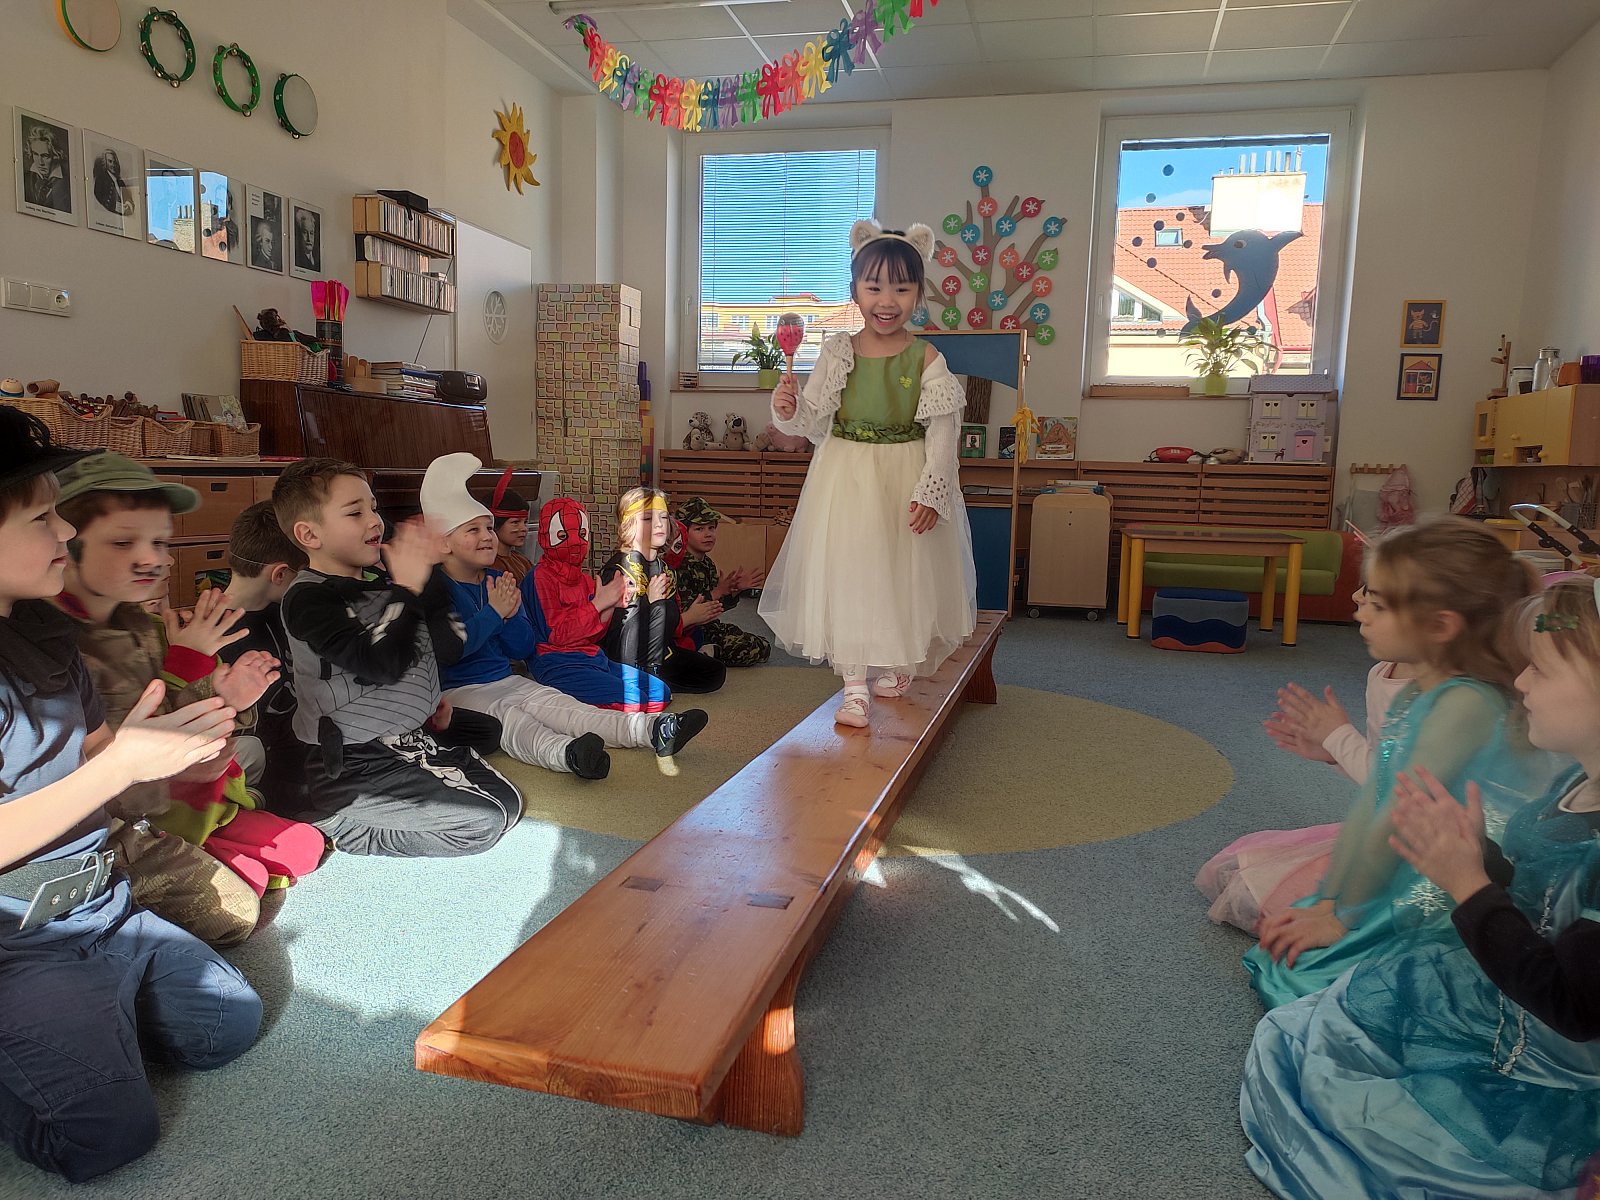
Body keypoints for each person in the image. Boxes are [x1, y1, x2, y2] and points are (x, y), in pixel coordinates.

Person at [1241, 576, 1600, 1200]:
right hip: (1508, 992)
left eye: (1540, 670)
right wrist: (1478, 857)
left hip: (1555, 1055)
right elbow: (1536, 896)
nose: (1520, 683)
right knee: (1301, 1034)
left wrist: (1469, 885)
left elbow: (1573, 1007)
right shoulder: (1574, 781)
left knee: (1350, 1107)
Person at [0, 408, 260, 1182]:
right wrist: (118, 769)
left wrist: (161, 748)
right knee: (108, 1137)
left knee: (226, 1025)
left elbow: (84, 757)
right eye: (42, 519)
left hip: (100, 900)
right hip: (17, 933)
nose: (64, 533)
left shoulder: (41, 630)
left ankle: (78, 1024)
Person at [1242, 518, 1555, 1009]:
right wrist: (1331, 899)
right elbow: (1374, 798)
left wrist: (1344, 917)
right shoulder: (1416, 691)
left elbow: (1394, 814)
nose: (1360, 611)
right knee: (1287, 946)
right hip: (1415, 855)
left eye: (1380, 605)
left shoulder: (1465, 703)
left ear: (1440, 626)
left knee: (1320, 981)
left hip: (1461, 875)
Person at [52, 454, 323, 941]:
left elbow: (186, 732)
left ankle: (214, 847)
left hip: (181, 799)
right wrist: (204, 692)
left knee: (304, 847)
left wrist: (226, 696)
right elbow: (126, 775)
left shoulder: (140, 624)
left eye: (160, 542)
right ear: (64, 545)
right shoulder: (61, 646)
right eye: (123, 542)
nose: (157, 559)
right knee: (236, 912)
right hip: (119, 824)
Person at [759, 218, 977, 728]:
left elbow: (943, 432)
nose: (887, 300)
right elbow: (813, 420)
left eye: (901, 288)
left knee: (902, 575)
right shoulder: (838, 350)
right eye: (874, 287)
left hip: (905, 476)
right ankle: (854, 685)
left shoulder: (927, 357)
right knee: (851, 573)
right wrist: (788, 407)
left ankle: (898, 662)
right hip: (846, 477)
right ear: (855, 289)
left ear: (918, 293)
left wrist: (933, 490)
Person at [272, 457, 521, 857]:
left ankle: (416, 777)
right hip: (351, 760)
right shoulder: (307, 599)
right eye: (355, 512)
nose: (375, 520)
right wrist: (407, 588)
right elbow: (379, 664)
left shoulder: (383, 583)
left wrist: (429, 574)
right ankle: (339, 826)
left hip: (407, 739)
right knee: (483, 823)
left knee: (509, 804)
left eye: (373, 507)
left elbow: (447, 647)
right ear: (309, 534)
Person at [424, 454, 709, 778]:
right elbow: (450, 650)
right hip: (461, 690)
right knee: (514, 721)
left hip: (507, 679)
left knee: (565, 707)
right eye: (473, 529)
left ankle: (653, 729)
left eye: (489, 527)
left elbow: (521, 647)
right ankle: (567, 754)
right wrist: (494, 613)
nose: (487, 536)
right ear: (444, 543)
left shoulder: (498, 581)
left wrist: (509, 615)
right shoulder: (436, 589)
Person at [1195, 587, 1414, 933]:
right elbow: (1379, 772)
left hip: (1418, 853)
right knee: (1230, 872)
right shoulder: (1383, 671)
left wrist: (1341, 738)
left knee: (1262, 903)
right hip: (1382, 831)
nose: (1356, 598)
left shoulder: (1445, 698)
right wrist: (1333, 755)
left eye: (1375, 596)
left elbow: (1403, 791)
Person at [526, 496, 671, 713]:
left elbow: (593, 636)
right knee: (636, 700)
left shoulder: (586, 580)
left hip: (593, 657)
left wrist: (610, 606)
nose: (576, 542)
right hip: (557, 663)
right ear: (545, 537)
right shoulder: (540, 577)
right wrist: (598, 603)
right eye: (563, 536)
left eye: (582, 534)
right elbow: (557, 636)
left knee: (660, 692)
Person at [218, 500, 307, 790]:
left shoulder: (284, 611)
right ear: (280, 574)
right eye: (304, 573)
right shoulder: (214, 637)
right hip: (269, 776)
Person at [602, 487, 725, 695]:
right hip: (627, 659)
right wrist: (649, 604)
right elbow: (617, 641)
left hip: (660, 652)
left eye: (663, 517)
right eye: (648, 519)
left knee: (715, 672)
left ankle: (655, 678)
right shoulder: (620, 571)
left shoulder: (663, 568)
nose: (659, 524)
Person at [672, 497, 770, 667]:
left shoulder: (707, 563)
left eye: (711, 528)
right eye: (699, 529)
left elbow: (715, 609)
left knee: (763, 645)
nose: (708, 534)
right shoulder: (679, 566)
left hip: (709, 627)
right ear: (684, 532)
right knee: (751, 649)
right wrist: (717, 592)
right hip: (688, 632)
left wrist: (733, 592)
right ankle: (704, 652)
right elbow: (685, 613)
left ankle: (708, 651)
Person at [483, 468, 535, 585]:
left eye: (525, 522)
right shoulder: (490, 566)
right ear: (495, 524)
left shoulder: (523, 561)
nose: (524, 528)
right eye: (515, 522)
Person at [21, 119, 69, 213]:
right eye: (36, 154)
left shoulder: (67, 183)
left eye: (45, 156)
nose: (40, 162)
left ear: (55, 155)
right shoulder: (25, 178)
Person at [293, 206, 320, 273]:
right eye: (305, 232)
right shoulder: (297, 259)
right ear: (299, 234)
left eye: (311, 233)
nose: (309, 238)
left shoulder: (318, 259)